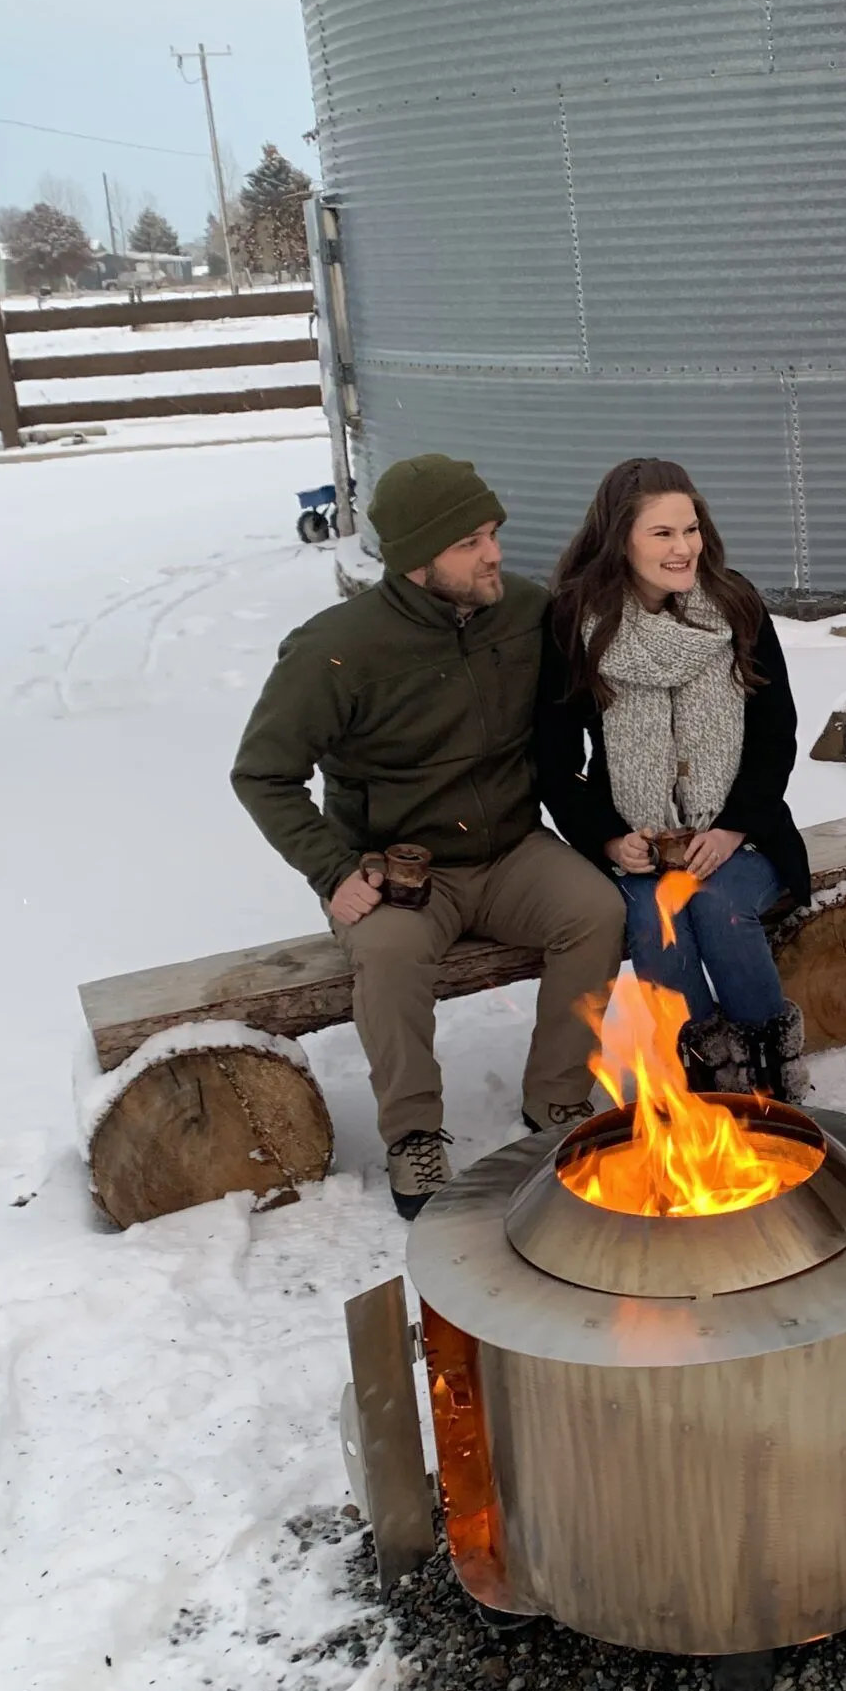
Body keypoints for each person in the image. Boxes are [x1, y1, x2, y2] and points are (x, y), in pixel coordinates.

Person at [232, 453, 626, 1218]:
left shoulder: (523, 612)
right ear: (418, 559)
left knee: (596, 911)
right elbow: (262, 774)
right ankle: (414, 1134)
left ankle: (556, 1101)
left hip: (512, 848)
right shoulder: (333, 651)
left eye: (493, 533)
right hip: (401, 871)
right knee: (388, 952)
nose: (495, 554)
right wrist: (333, 870)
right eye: (471, 542)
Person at [535, 458, 810, 1098]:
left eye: (690, 529)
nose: (683, 547)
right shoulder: (577, 625)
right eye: (661, 534)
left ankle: (770, 1070)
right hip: (636, 845)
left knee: (717, 903)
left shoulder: (734, 605)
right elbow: (554, 758)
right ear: (620, 538)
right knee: (657, 912)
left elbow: (777, 732)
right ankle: (703, 1079)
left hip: (746, 830)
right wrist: (606, 837)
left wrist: (734, 826)